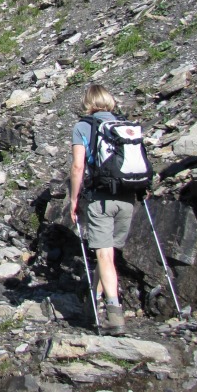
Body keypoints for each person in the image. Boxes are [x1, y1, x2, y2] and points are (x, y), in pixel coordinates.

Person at [69, 84, 135, 336]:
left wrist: (74, 199)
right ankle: (92, 305)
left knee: (104, 255)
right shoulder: (124, 125)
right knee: (107, 253)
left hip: (101, 199)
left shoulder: (83, 127)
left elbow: (78, 167)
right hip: (128, 197)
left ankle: (114, 314)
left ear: (88, 103)